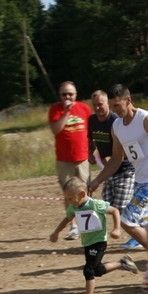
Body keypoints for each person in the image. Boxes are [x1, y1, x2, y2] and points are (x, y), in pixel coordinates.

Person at [88, 85, 148, 248]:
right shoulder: (116, 126)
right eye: (111, 106)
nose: (114, 110)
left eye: (117, 105)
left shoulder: (146, 119)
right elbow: (116, 159)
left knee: (127, 221)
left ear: (128, 100)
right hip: (138, 182)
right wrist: (97, 180)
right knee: (147, 224)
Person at [48, 176, 137, 294]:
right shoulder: (73, 207)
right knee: (97, 270)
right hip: (87, 242)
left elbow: (114, 211)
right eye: (67, 198)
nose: (68, 201)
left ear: (82, 194)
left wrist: (117, 228)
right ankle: (122, 263)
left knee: (88, 270)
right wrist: (56, 232)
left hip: (99, 241)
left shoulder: (96, 204)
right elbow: (67, 219)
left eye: (70, 198)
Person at [48, 81, 90, 238]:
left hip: (82, 158)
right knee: (69, 194)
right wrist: (66, 113)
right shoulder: (55, 110)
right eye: (64, 94)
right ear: (60, 96)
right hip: (64, 160)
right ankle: (73, 226)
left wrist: (93, 153)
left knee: (84, 192)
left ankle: (86, 225)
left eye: (70, 94)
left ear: (76, 95)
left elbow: (90, 132)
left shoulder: (84, 108)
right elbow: (55, 130)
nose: (67, 97)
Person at [87, 88, 135, 219]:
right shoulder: (92, 120)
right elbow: (91, 139)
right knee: (107, 206)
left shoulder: (116, 121)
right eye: (94, 105)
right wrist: (90, 152)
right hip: (108, 170)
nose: (97, 107)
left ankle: (136, 230)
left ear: (107, 103)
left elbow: (131, 146)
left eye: (100, 104)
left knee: (119, 209)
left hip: (125, 169)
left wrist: (115, 156)